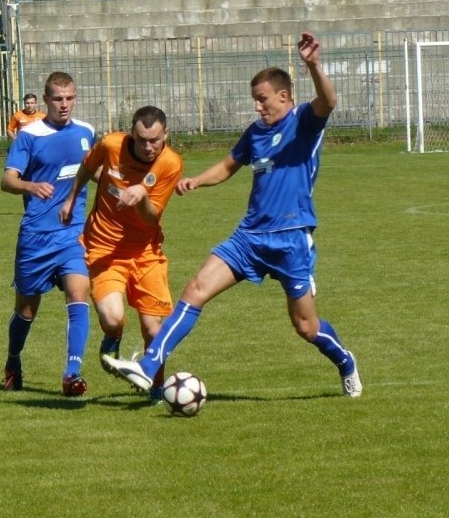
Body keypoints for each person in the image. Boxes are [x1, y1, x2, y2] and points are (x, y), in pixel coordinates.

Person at [102, 31, 363, 399]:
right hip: (250, 237)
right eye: (255, 100)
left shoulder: (304, 120)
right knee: (195, 290)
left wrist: (313, 65)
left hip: (291, 238)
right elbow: (228, 166)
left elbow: (329, 100)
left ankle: (344, 361)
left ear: (284, 96)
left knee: (305, 326)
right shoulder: (255, 133)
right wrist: (197, 181)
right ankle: (148, 366)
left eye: (262, 99)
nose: (257, 107)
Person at [60, 106, 183, 403]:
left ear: (165, 134)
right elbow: (88, 168)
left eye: (154, 140)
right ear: (131, 133)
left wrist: (140, 196)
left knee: (153, 329)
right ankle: (112, 340)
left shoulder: (170, 163)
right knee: (113, 318)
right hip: (104, 248)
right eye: (141, 139)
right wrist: (71, 198)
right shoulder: (111, 144)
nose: (148, 147)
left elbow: (151, 217)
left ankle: (156, 387)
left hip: (146, 252)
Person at [0, 72, 95, 396]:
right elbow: (7, 180)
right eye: (57, 98)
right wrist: (29, 185)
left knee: (79, 294)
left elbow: (94, 171)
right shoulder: (29, 135)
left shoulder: (86, 132)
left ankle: (72, 373)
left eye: (69, 98)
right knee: (26, 311)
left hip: (72, 234)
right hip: (36, 237)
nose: (64, 104)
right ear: (45, 99)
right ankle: (13, 360)